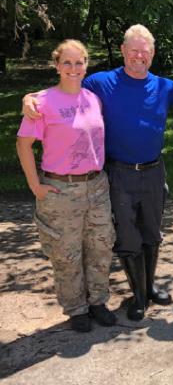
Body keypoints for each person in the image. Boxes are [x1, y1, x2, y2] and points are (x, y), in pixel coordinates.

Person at [22, 24, 173, 321]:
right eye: (133, 50)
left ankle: (149, 289)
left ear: (152, 54)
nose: (139, 56)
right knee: (127, 236)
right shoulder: (101, 83)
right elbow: (64, 90)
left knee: (152, 233)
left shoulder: (163, 86)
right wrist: (29, 98)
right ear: (123, 51)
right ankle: (136, 297)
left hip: (153, 171)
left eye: (145, 51)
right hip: (118, 173)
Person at [17, 39, 116, 332]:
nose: (74, 68)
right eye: (67, 63)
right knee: (66, 252)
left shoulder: (92, 99)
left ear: (86, 65)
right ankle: (76, 308)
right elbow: (23, 145)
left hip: (96, 186)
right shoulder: (42, 103)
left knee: (101, 246)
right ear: (57, 65)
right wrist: (35, 186)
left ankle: (98, 302)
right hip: (61, 190)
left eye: (79, 62)